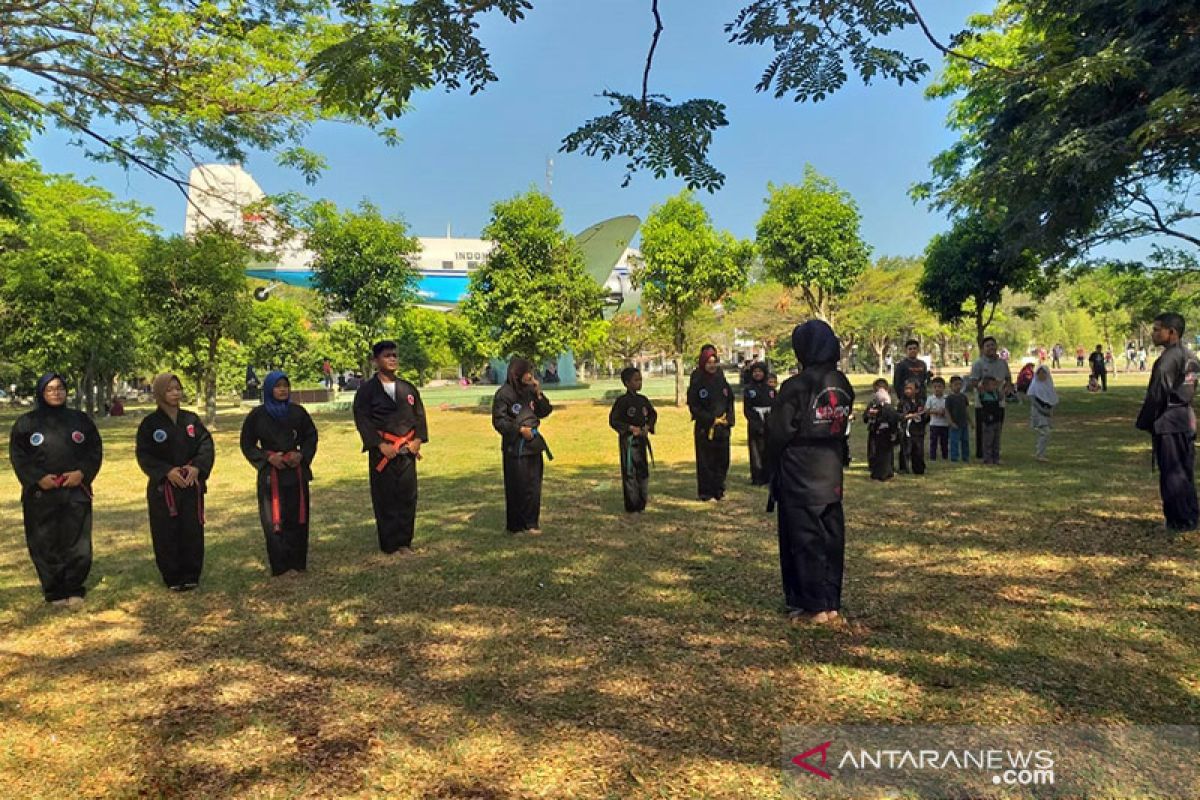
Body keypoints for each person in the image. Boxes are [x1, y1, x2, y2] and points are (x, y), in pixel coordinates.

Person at [766, 320, 854, 625]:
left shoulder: (797, 385)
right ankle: (831, 603)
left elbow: (777, 432)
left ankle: (813, 607)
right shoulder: (841, 382)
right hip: (831, 470)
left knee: (805, 539)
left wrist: (770, 465)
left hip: (800, 471)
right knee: (831, 537)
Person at [8, 373, 102, 606]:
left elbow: (94, 450)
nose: (56, 392)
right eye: (50, 389)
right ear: (41, 392)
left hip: (75, 490)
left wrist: (82, 473)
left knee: (77, 541)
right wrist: (38, 478)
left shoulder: (80, 420)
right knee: (44, 541)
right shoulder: (26, 423)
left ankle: (74, 588)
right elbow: (18, 457)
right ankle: (54, 590)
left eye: (60, 388)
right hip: (41, 494)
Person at [136, 373, 214, 591]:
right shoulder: (150, 424)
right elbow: (144, 455)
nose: (175, 393)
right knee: (165, 531)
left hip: (190, 484)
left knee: (191, 529)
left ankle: (191, 574)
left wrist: (196, 467)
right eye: (169, 390)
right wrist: (166, 471)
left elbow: (206, 445)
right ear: (160, 393)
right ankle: (172, 576)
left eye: (178, 388)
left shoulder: (191, 420)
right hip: (165, 488)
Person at [240, 371, 319, 575]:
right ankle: (280, 566)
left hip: (295, 473)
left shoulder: (298, 412)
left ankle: (297, 563)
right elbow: (247, 443)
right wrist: (267, 458)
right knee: (273, 519)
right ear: (269, 389)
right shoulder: (258, 415)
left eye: (286, 385)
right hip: (271, 476)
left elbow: (311, 437)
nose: (283, 389)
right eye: (278, 386)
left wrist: (301, 455)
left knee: (297, 517)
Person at [353, 341, 428, 555]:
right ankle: (389, 543)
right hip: (383, 452)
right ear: (376, 360)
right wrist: (378, 444)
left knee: (407, 496)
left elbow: (419, 416)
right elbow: (363, 419)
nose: (392, 359)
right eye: (387, 355)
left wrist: (418, 440)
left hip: (406, 450)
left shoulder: (408, 388)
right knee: (385, 497)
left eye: (395, 355)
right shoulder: (367, 391)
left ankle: (405, 542)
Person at [1136, 313, 1200, 533]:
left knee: (1172, 473)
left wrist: (1144, 422)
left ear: (1171, 332)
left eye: (1157, 329)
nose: (1153, 333)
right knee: (1184, 470)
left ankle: (1179, 521)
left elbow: (1157, 395)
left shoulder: (1167, 360)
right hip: (1185, 420)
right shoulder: (1190, 356)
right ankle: (1190, 516)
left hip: (1169, 421)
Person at [492, 357, 553, 534]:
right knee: (517, 486)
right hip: (515, 446)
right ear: (517, 372)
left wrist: (538, 392)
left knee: (533, 486)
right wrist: (518, 430)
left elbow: (544, 411)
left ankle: (531, 522)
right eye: (528, 372)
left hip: (533, 444)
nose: (530, 376)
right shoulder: (504, 393)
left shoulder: (530, 391)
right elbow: (499, 421)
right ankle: (516, 525)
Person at [688, 344, 735, 502]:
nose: (712, 365)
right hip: (705, 428)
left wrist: (728, 419)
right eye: (709, 362)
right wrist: (710, 419)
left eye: (714, 362)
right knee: (706, 460)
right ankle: (706, 492)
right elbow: (694, 405)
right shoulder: (697, 379)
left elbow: (730, 399)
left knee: (722, 459)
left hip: (722, 427)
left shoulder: (721, 378)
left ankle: (719, 489)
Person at [609, 367, 657, 512]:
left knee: (642, 471)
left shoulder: (643, 400)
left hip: (641, 440)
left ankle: (642, 503)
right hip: (628, 441)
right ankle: (632, 505)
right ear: (627, 383)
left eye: (640, 379)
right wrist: (630, 428)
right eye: (636, 380)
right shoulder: (622, 401)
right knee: (630, 471)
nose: (639, 382)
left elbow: (653, 414)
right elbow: (614, 420)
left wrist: (648, 426)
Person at [966, 337, 1013, 460]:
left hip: (999, 402)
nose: (991, 348)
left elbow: (1008, 378)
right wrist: (984, 388)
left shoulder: (1003, 363)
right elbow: (973, 381)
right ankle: (982, 454)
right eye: (988, 346)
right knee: (984, 429)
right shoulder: (978, 363)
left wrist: (1007, 387)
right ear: (982, 349)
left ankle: (995, 452)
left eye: (993, 345)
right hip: (983, 403)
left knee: (997, 427)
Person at [742, 361, 775, 486]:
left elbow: (775, 405)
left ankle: (768, 475)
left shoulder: (770, 390)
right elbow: (747, 409)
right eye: (755, 372)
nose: (757, 374)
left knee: (768, 449)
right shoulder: (749, 390)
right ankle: (757, 477)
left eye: (760, 371)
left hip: (769, 421)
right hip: (755, 421)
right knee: (756, 451)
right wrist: (756, 423)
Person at [861, 379, 898, 481]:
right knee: (873, 450)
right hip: (874, 429)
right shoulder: (872, 403)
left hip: (885, 431)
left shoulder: (890, 403)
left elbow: (893, 416)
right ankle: (873, 466)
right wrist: (869, 414)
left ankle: (888, 468)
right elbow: (865, 417)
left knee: (887, 451)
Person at [1028, 365, 1059, 463]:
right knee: (1045, 433)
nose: (1042, 375)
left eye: (1044, 373)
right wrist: (1042, 410)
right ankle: (1039, 454)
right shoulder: (1034, 385)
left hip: (1047, 412)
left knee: (1046, 433)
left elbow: (1053, 399)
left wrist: (1050, 410)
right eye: (1039, 373)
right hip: (1038, 413)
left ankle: (1041, 452)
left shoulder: (1048, 385)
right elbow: (1033, 400)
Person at [896, 380, 927, 475]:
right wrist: (909, 416)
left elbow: (925, 416)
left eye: (910, 388)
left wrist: (923, 415)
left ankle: (918, 468)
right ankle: (904, 468)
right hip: (906, 430)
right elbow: (899, 415)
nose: (907, 391)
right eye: (906, 388)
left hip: (918, 429)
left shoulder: (921, 402)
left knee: (918, 449)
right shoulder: (902, 402)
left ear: (917, 390)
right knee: (906, 449)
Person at [977, 376, 1005, 465]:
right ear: (985, 386)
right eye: (992, 385)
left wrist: (1002, 389)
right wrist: (982, 384)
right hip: (988, 421)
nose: (994, 387)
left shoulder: (995, 394)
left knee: (996, 441)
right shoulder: (983, 394)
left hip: (997, 420)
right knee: (988, 441)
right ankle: (987, 459)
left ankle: (996, 458)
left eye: (995, 385)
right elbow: (979, 388)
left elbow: (1001, 397)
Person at [926, 377, 950, 462]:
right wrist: (935, 412)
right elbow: (927, 411)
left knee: (944, 442)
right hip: (934, 424)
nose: (937, 389)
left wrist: (944, 412)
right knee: (933, 442)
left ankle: (945, 456)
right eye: (935, 387)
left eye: (939, 387)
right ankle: (933, 457)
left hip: (945, 424)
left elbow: (949, 409)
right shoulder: (930, 398)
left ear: (944, 387)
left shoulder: (947, 399)